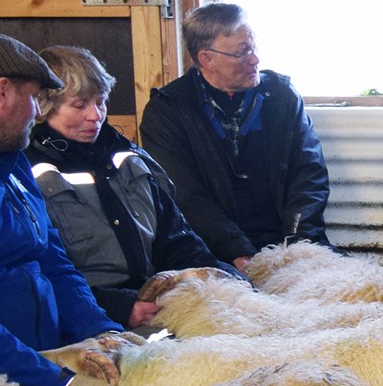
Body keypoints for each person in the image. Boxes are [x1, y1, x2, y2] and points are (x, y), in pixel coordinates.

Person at [27, 46, 244, 329]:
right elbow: (42, 272)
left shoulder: (128, 158)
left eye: (101, 102)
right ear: (45, 107)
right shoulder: (26, 173)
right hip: (88, 318)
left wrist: (227, 278)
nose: (95, 115)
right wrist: (117, 307)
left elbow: (176, 240)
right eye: (79, 105)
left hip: (152, 301)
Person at [138, 3, 331, 269]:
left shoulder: (282, 96)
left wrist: (298, 243)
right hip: (211, 249)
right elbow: (184, 195)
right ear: (207, 59)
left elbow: (309, 174)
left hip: (290, 241)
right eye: (242, 52)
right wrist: (237, 252)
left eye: (253, 47)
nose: (255, 60)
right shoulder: (168, 110)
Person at [0, 35, 126, 386]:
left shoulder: (15, 165)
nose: (37, 113)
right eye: (34, 98)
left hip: (46, 364)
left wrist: (103, 332)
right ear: (3, 91)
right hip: (18, 383)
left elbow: (53, 262)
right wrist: (56, 384)